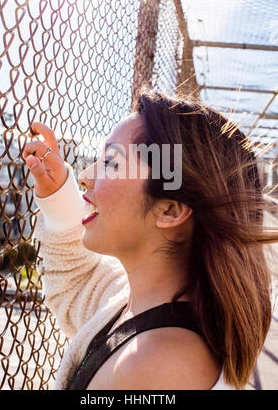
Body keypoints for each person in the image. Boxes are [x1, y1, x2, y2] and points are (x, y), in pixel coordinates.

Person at [23, 87, 277, 390]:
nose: (85, 175)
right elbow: (79, 282)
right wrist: (58, 194)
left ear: (170, 210)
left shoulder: (155, 366)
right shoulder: (143, 305)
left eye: (111, 163)